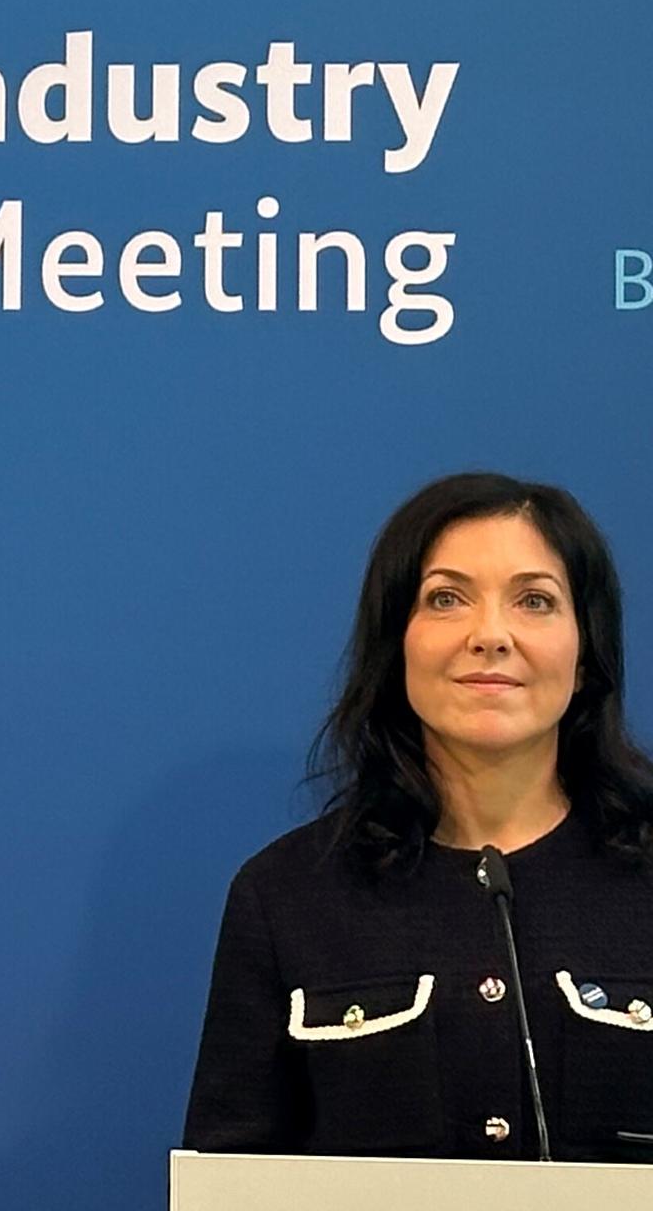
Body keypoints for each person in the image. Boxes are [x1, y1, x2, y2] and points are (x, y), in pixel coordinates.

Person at [184, 472, 653, 1161]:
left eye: (534, 601)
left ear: (586, 656)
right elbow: (231, 1172)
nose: (491, 635)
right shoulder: (287, 895)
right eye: (446, 598)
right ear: (395, 643)